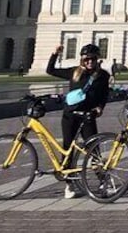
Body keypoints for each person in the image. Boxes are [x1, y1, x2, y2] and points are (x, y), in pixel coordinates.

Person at [46, 43, 110, 199]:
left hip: (87, 115)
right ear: (82, 59)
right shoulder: (74, 72)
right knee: (68, 148)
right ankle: (69, 184)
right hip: (70, 115)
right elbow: (50, 70)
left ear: (97, 59)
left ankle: (103, 180)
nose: (90, 61)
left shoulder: (103, 75)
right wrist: (55, 53)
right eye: (87, 59)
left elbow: (104, 95)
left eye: (93, 58)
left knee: (93, 149)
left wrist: (100, 107)